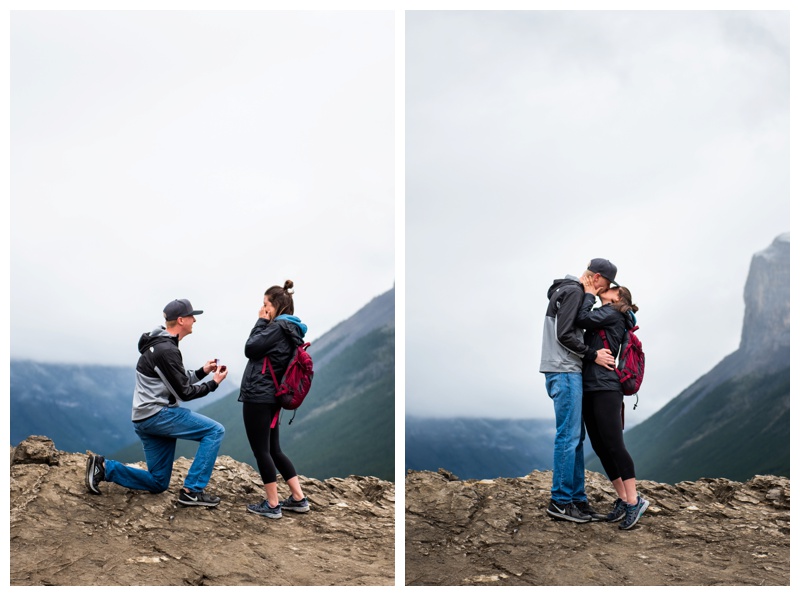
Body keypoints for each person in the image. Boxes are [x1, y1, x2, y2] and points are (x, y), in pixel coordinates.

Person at [85, 299, 228, 507]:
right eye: (191, 316)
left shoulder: (161, 346)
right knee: (215, 431)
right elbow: (184, 393)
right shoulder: (166, 350)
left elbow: (176, 379)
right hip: (158, 416)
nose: (194, 320)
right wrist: (214, 383)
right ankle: (192, 491)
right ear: (181, 320)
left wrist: (202, 372)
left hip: (145, 418)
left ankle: (104, 468)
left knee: (158, 482)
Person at [539, 258, 618, 523]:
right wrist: (593, 354)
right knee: (568, 437)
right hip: (564, 370)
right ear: (596, 278)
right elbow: (564, 334)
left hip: (562, 370)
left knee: (575, 437)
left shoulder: (565, 291)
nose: (603, 291)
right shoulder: (574, 291)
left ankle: (577, 500)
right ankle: (560, 502)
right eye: (605, 284)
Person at [577, 279, 649, 530]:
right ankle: (623, 498)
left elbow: (582, 319)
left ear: (618, 296)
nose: (604, 289)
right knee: (600, 444)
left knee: (614, 445)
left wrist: (587, 293)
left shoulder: (613, 314)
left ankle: (634, 501)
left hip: (607, 387)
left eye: (610, 287)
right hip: (591, 385)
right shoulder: (608, 313)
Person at [238, 280, 310, 519]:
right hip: (273, 396)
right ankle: (298, 498)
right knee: (273, 449)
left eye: (265, 304)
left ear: (274, 306)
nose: (262, 308)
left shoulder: (276, 328)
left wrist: (261, 321)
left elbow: (250, 348)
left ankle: (272, 504)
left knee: (262, 451)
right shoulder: (292, 330)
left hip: (259, 395)